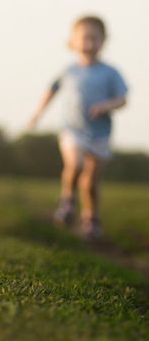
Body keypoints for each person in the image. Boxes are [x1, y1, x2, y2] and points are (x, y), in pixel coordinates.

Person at [29, 15, 128, 239]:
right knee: (75, 163)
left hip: (100, 133)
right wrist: (37, 114)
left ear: (104, 41)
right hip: (72, 129)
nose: (89, 43)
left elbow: (123, 99)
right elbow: (51, 90)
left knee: (91, 182)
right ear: (73, 41)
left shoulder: (110, 72)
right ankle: (67, 201)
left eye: (95, 38)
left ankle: (91, 218)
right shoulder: (69, 71)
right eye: (85, 38)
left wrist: (106, 105)